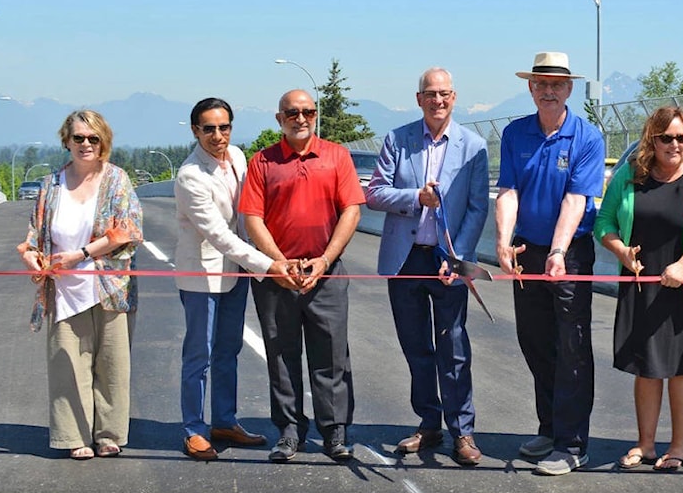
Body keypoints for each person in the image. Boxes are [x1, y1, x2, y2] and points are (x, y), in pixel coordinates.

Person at [365, 67, 490, 466]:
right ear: (419, 99)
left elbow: (476, 206)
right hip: (406, 259)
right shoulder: (397, 140)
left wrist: (459, 255)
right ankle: (428, 420)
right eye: (430, 94)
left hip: (447, 258)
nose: (438, 101)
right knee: (416, 345)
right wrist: (415, 197)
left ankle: (463, 431)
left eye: (445, 94)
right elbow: (375, 194)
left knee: (453, 346)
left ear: (454, 98)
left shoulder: (473, 146)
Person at [238, 89, 365, 463]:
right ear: (279, 119)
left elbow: (352, 211)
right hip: (277, 276)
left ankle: (334, 431)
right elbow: (252, 218)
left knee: (331, 353)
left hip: (324, 272)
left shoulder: (337, 156)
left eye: (308, 111)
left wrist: (325, 259)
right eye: (292, 112)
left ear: (315, 115)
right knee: (281, 354)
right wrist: (277, 263)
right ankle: (290, 431)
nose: (301, 118)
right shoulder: (262, 162)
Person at [595, 107, 683, 472]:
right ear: (651, 139)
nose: (675, 145)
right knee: (647, 369)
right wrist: (619, 249)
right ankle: (646, 444)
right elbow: (604, 221)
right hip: (642, 286)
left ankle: (679, 446)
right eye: (666, 137)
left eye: (682, 138)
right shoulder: (630, 176)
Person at [495, 52, 605, 475]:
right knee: (535, 340)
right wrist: (504, 242)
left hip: (570, 252)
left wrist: (558, 252)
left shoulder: (586, 137)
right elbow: (508, 191)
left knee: (572, 347)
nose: (548, 91)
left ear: (569, 89)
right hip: (528, 250)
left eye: (556, 85)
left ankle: (573, 443)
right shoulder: (515, 133)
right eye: (541, 84)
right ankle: (550, 427)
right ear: (530, 88)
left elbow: (577, 200)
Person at [18, 110, 142, 460]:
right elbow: (33, 236)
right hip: (63, 287)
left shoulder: (117, 180)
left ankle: (108, 434)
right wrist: (33, 257)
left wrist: (82, 254)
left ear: (104, 141)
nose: (86, 144)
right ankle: (73, 435)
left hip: (109, 286)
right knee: (67, 363)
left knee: (112, 364)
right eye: (79, 138)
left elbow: (129, 229)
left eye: (93, 138)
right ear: (66, 141)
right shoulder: (50, 186)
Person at [174, 97, 293, 460]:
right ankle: (194, 428)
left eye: (223, 127)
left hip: (236, 273)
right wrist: (270, 265)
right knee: (200, 355)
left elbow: (249, 214)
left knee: (229, 350)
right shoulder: (189, 175)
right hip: (203, 275)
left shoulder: (239, 157)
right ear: (195, 131)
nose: (217, 135)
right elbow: (219, 235)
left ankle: (224, 420)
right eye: (208, 129)